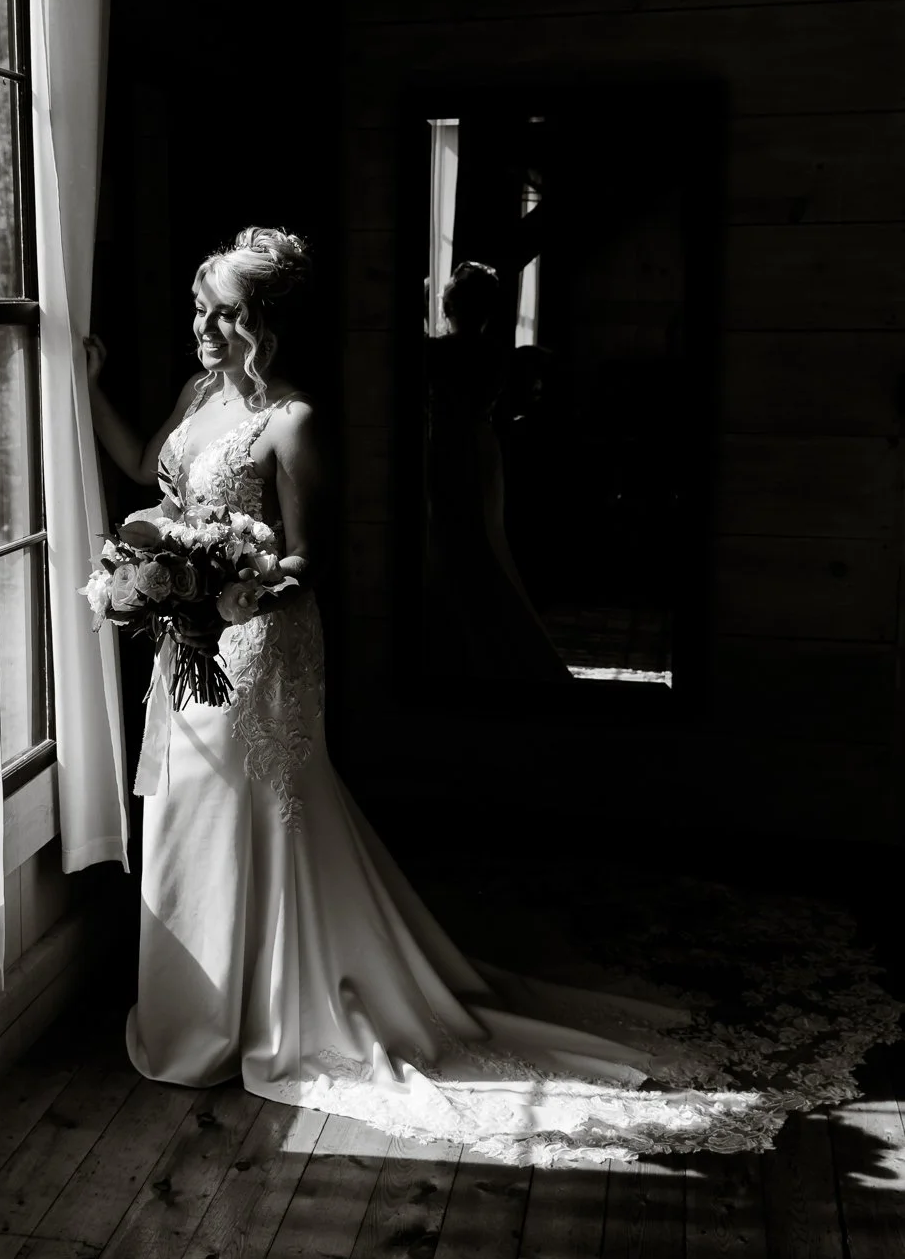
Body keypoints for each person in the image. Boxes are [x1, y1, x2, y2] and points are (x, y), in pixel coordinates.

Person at [80, 227, 781, 1166]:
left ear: (266, 324)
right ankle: (193, 1015)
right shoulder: (195, 395)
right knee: (188, 810)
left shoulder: (293, 421)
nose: (204, 327)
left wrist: (227, 586)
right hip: (189, 645)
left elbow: (309, 559)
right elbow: (141, 472)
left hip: (259, 647)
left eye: (225, 313)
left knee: (249, 811)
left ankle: (265, 1012)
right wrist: (85, 391)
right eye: (201, 307)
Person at [424, 261, 573, 683]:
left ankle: (459, 641)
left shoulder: (440, 352)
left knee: (454, 541)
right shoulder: (494, 353)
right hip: (482, 447)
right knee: (482, 540)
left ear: (451, 304)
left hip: (450, 450)